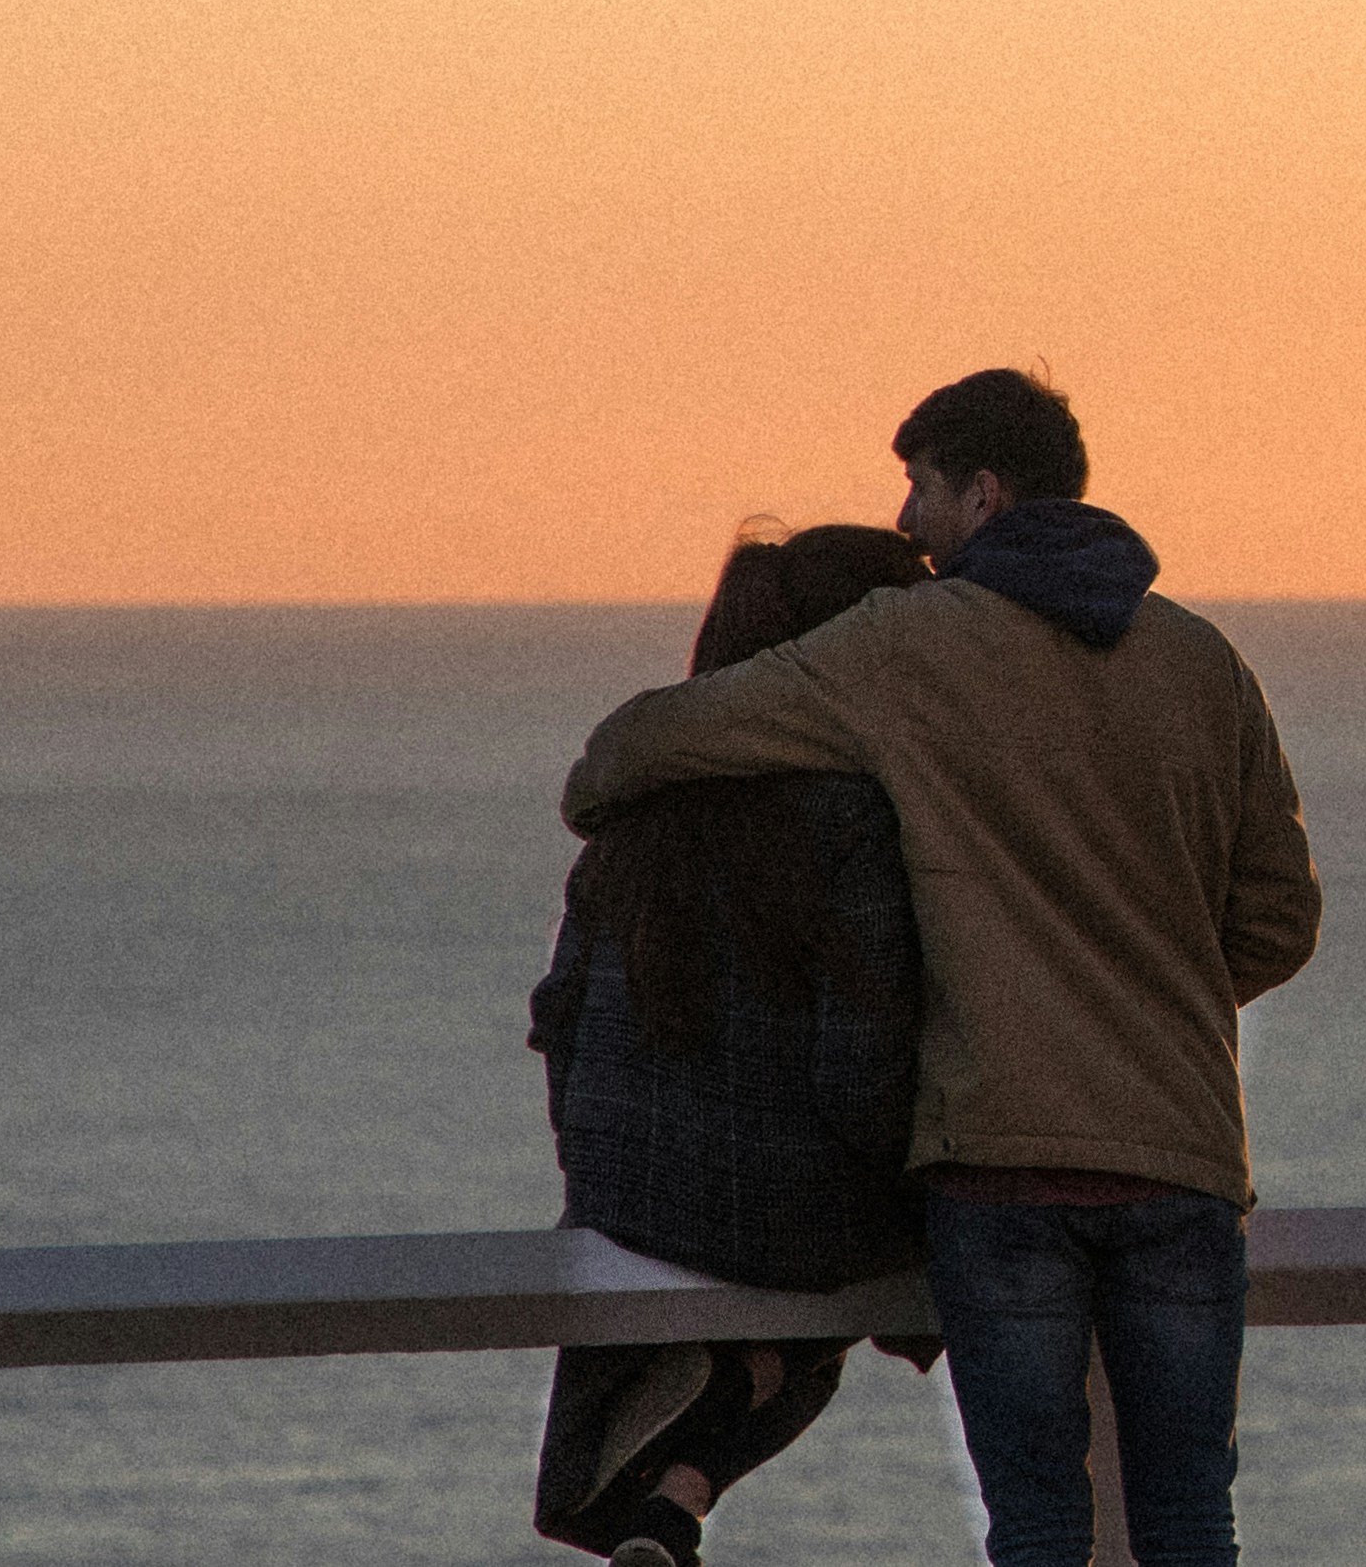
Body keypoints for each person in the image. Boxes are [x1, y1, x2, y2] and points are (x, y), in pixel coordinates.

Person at [563, 368, 1321, 1567]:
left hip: (1002, 1168)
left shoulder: (905, 647)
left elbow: (637, 744)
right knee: (1186, 1515)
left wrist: (599, 794)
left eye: (918, 486)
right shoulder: (1203, 661)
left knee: (1037, 1525)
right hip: (1180, 1159)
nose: (905, 522)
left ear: (982, 488)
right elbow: (1278, 917)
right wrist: (1136, 997)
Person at [529, 522, 935, 1567]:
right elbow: (864, 1073)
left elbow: (560, 1019)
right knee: (867, 1299)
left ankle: (667, 1499)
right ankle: (718, 1415)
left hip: (624, 1201)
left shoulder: (636, 807)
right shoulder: (858, 819)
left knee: (761, 1330)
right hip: (789, 1221)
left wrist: (605, 1170)